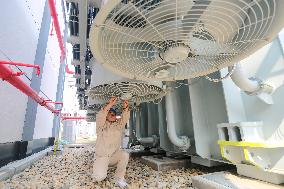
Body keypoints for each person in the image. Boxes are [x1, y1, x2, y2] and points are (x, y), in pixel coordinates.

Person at [92, 97, 130, 188]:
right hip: (102, 157)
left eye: (114, 114)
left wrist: (125, 107)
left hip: (113, 156)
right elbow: (101, 115)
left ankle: (119, 178)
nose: (113, 115)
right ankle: (98, 167)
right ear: (107, 115)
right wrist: (110, 105)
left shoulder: (118, 126)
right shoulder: (101, 126)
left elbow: (124, 117)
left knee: (124, 155)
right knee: (99, 177)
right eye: (110, 113)